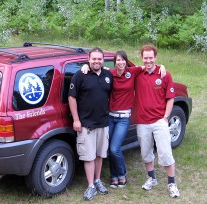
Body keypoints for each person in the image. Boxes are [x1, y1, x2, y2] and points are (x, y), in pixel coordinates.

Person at [81, 51, 166, 189]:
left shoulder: (133, 71)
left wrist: (161, 66)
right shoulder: (110, 73)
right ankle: (114, 178)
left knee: (115, 148)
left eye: (123, 60)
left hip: (123, 118)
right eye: (118, 60)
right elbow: (95, 67)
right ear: (115, 62)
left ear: (126, 61)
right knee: (109, 148)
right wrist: (85, 66)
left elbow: (149, 66)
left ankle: (122, 175)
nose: (121, 63)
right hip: (110, 116)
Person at [135, 44, 180, 198]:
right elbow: (120, 72)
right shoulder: (137, 74)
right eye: (145, 57)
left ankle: (172, 183)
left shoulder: (164, 75)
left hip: (160, 120)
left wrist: (166, 117)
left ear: (155, 58)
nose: (148, 60)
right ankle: (151, 178)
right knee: (146, 153)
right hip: (142, 122)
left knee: (166, 153)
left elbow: (170, 98)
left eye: (151, 57)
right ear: (142, 58)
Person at [68, 47, 113, 201]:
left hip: (103, 122)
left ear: (103, 60)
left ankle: (98, 180)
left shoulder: (108, 75)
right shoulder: (80, 75)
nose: (96, 61)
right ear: (88, 58)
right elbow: (72, 98)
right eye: (94, 59)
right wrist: (76, 119)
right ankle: (90, 186)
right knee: (88, 156)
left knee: (100, 154)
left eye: (99, 59)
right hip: (86, 124)